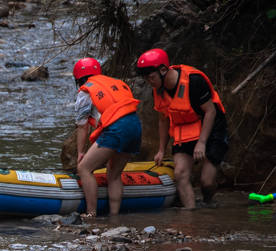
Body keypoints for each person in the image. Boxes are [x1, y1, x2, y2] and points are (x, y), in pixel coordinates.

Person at [137, 48, 229, 208]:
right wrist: (160, 149)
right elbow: (163, 120)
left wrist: (202, 142)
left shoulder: (194, 81)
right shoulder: (157, 91)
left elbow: (210, 111)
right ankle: (190, 216)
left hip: (212, 125)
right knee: (180, 174)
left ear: (163, 70)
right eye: (146, 79)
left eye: (151, 77)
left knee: (206, 181)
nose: (149, 82)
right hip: (185, 128)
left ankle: (208, 203)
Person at [70, 57, 143, 218]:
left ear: (79, 78)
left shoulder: (85, 91)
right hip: (135, 126)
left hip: (116, 128)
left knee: (84, 168)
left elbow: (82, 126)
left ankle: (91, 213)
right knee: (114, 173)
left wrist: (81, 153)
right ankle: (114, 216)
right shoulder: (114, 82)